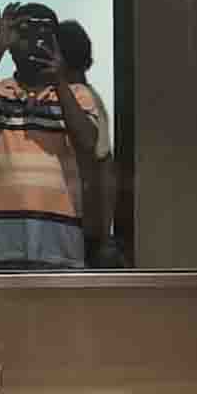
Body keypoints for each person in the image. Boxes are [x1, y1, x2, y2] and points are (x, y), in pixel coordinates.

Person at [0, 2, 101, 271]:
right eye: (24, 35)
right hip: (7, 243)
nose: (34, 44)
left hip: (61, 244)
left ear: (57, 43)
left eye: (44, 36)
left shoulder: (77, 95)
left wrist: (59, 81)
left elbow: (87, 141)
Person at [56, 20, 123, 268]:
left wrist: (103, 237)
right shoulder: (90, 98)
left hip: (80, 226)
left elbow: (104, 170)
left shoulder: (80, 102)